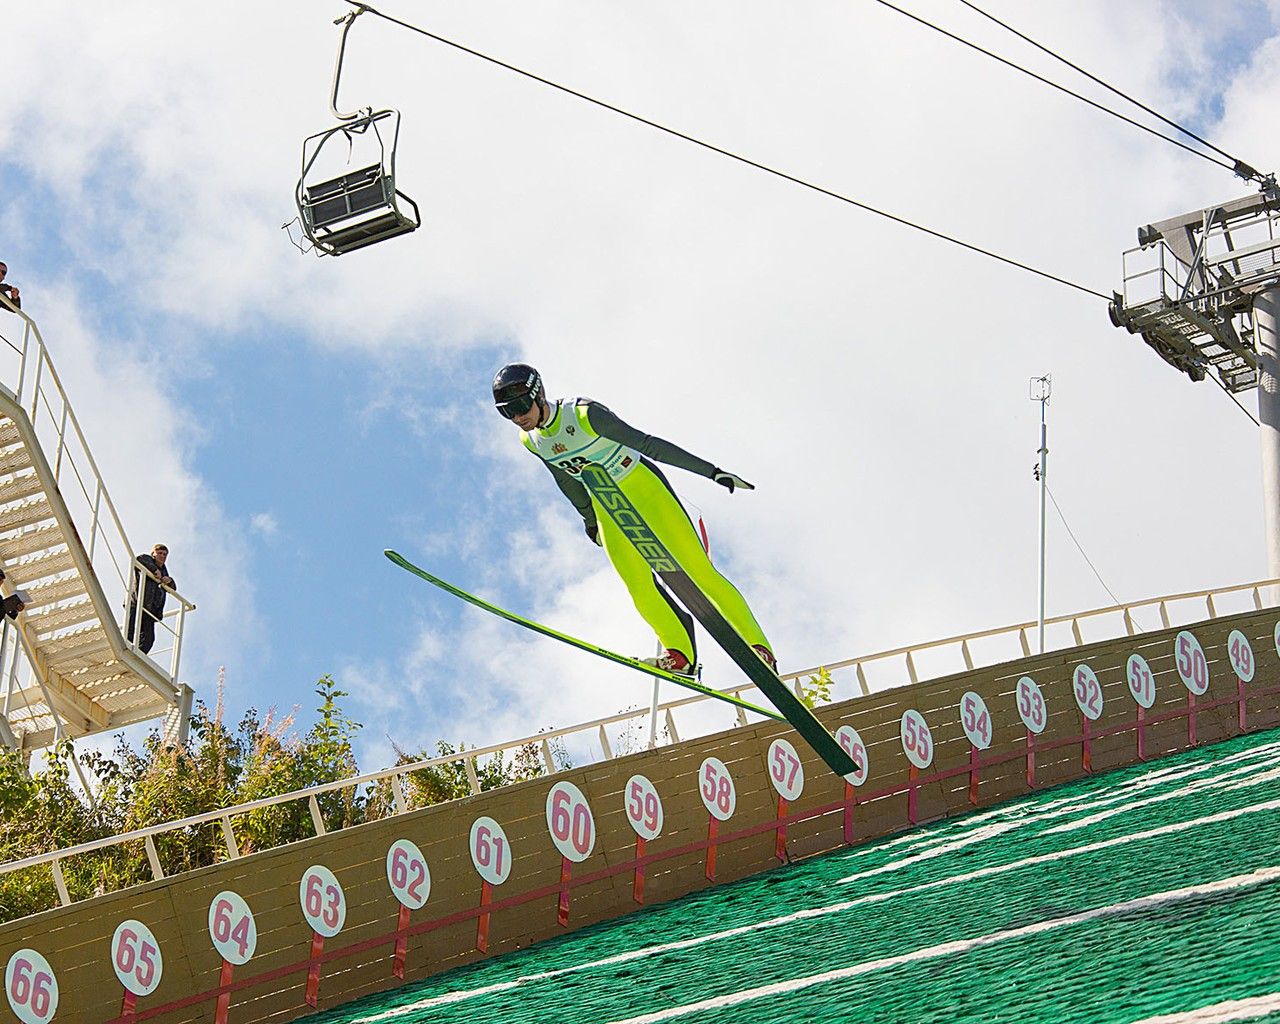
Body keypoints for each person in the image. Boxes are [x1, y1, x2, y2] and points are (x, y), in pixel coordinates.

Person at [493, 363, 775, 677]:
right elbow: (565, 480)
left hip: (643, 488)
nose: (518, 417)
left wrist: (711, 472)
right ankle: (679, 653)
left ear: (538, 393)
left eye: (520, 406)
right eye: (508, 413)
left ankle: (757, 646)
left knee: (697, 571)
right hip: (607, 506)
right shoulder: (531, 441)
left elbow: (648, 444)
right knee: (637, 584)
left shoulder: (584, 415)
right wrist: (589, 520)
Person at [126, 544, 174, 654]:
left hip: (149, 610)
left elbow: (173, 588)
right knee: (129, 633)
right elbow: (138, 559)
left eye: (165, 554)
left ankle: (137, 656)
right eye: (160, 553)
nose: (162, 556)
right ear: (153, 554)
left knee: (148, 639)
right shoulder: (147, 559)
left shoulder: (164, 571)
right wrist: (153, 569)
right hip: (136, 603)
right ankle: (128, 653)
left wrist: (169, 580)